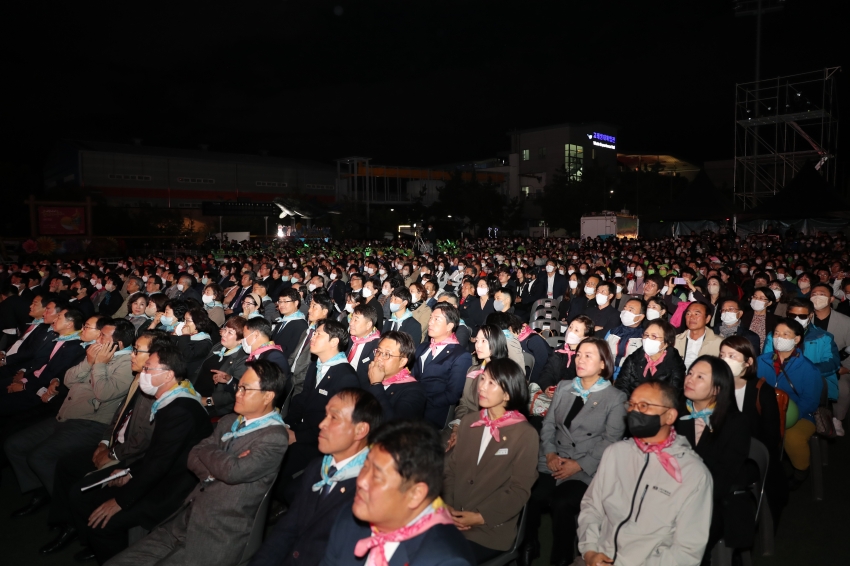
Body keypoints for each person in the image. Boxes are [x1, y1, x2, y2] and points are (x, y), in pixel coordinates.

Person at [104, 359, 289, 566]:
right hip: (185, 519)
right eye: (239, 386)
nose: (237, 393)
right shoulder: (229, 421)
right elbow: (193, 455)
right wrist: (214, 469)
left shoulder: (275, 437)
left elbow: (232, 471)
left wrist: (211, 455)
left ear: (268, 396)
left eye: (246, 389)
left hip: (216, 533)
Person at [65, 344, 213, 564]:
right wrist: (130, 471)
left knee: (104, 521)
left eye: (148, 369)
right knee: (92, 496)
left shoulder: (179, 409)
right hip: (163, 475)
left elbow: (161, 463)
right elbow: (158, 455)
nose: (142, 374)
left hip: (175, 489)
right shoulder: (171, 401)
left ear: (168, 375)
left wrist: (122, 501)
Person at [43, 330, 170, 558]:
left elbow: (145, 443)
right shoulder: (138, 377)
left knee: (80, 491)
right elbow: (119, 416)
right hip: (112, 446)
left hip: (129, 460)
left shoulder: (158, 389)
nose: (131, 354)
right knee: (66, 465)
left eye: (136, 351)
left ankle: (98, 543)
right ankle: (71, 526)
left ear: (155, 357)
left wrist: (113, 455)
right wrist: (104, 442)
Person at [5, 319, 134, 520]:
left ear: (117, 345)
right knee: (14, 445)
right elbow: (69, 378)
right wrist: (90, 362)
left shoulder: (127, 364)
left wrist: (98, 365)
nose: (98, 338)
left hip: (91, 424)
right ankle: (43, 491)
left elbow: (104, 393)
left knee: (39, 456)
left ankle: (69, 514)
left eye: (103, 336)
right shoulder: (94, 353)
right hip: (65, 416)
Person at [576, 381, 713, 566]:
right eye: (631, 405)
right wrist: (590, 550)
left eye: (644, 406)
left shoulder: (692, 473)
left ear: (670, 416)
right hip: (600, 557)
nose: (634, 411)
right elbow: (592, 507)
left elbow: (687, 551)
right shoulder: (615, 453)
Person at [250, 388, 382, 566]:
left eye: (333, 418)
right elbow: (287, 529)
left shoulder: (370, 488)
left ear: (360, 430)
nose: (322, 424)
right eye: (325, 414)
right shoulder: (318, 468)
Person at [525, 337, 627, 566]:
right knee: (529, 492)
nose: (580, 359)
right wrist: (549, 453)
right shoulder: (564, 387)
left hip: (586, 466)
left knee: (563, 503)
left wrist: (579, 465)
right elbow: (549, 424)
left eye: (588, 355)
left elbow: (611, 440)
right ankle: (528, 544)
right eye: (579, 354)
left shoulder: (615, 398)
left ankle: (561, 558)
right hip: (553, 460)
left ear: (603, 363)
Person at [321, 419, 476, 566]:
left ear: (416, 494)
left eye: (377, 477)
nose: (361, 481)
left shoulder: (445, 560)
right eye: (365, 467)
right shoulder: (350, 518)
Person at [443, 358, 538, 562]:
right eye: (482, 379)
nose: (482, 387)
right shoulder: (469, 422)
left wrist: (479, 516)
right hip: (450, 519)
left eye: (491, 383)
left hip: (490, 528)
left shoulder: (524, 434)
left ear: (507, 394)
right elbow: (451, 471)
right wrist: (450, 508)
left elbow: (519, 490)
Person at [675, 355, 750, 558]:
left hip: (711, 501)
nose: (689, 379)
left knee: (684, 540)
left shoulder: (736, 423)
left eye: (700, 377)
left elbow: (725, 475)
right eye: (690, 373)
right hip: (670, 492)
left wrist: (687, 499)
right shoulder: (674, 413)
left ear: (717, 388)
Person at [280, 319, 362, 501]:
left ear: (334, 342)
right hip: (302, 433)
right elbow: (302, 401)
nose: (313, 337)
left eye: (319, 334)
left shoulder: (346, 377)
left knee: (279, 471)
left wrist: (297, 437)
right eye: (314, 333)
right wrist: (286, 425)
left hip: (320, 443)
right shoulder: (315, 366)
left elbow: (338, 425)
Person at [718, 336, 787, 524]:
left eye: (732, 356)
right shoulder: (716, 387)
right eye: (722, 355)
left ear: (748, 362)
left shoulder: (761, 390)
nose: (725, 360)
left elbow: (771, 436)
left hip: (751, 455)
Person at [756, 318, 823, 490]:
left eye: (786, 334)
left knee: (793, 438)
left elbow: (810, 401)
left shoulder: (808, 368)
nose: (780, 337)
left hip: (799, 414)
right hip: (764, 410)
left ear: (797, 339)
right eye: (777, 333)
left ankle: (801, 471)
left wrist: (788, 417)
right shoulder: (761, 361)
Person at [0, 308, 87, 418]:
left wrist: (25, 385)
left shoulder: (73, 346)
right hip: (32, 379)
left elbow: (51, 373)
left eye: (59, 317)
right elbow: (41, 363)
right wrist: (24, 377)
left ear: (69, 324)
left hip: (40, 389)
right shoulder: (60, 338)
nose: (54, 320)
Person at [412, 303, 473, 429]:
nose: (430, 323)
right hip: (410, 406)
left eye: (436, 319)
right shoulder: (422, 347)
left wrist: (422, 401)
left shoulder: (460, 355)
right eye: (430, 318)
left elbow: (453, 394)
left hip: (433, 413)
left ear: (449, 326)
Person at [615, 319, 685, 398]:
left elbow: (674, 397)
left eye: (654, 336)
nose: (648, 339)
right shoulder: (633, 359)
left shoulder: (675, 364)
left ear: (666, 343)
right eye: (646, 335)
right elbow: (621, 389)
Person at [366, 331, 427, 421]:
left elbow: (394, 425)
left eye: (387, 354)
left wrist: (376, 384)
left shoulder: (415, 392)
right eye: (378, 351)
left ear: (402, 362)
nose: (379, 357)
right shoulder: (372, 375)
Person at [194, 317, 249, 417]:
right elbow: (202, 369)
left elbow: (235, 391)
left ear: (240, 340)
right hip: (196, 392)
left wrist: (208, 401)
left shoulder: (243, 359)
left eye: (230, 333)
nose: (223, 334)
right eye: (225, 330)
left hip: (214, 405)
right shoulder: (219, 346)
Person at [288, 292, 334, 397]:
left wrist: (293, 380)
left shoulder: (325, 336)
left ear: (324, 311)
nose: (309, 310)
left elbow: (314, 366)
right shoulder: (308, 330)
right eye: (310, 306)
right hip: (290, 380)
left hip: (302, 386)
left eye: (314, 307)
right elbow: (295, 355)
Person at [171, 307, 216, 383]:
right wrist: (175, 335)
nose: (184, 324)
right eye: (184, 320)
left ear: (198, 323)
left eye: (187, 321)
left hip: (186, 380)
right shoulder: (187, 336)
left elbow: (187, 356)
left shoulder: (205, 343)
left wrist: (185, 336)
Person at [604, 297, 645, 376]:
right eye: (624, 308)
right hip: (607, 373)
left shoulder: (643, 337)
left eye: (630, 310)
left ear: (640, 316)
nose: (625, 312)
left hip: (629, 377)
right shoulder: (612, 332)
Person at [674, 302, 722, 369]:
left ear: (707, 319)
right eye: (688, 314)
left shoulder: (719, 343)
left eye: (696, 314)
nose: (691, 317)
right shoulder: (675, 341)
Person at [271, 287, 309, 359]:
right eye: (280, 301)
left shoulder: (301, 325)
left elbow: (292, 351)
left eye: (285, 301)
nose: (281, 305)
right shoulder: (281, 321)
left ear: (296, 303)